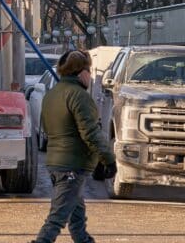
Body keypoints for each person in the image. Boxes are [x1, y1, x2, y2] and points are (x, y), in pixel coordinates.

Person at [32, 50, 117, 243]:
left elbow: (46, 127)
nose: (91, 76)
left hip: (55, 162)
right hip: (72, 165)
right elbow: (91, 132)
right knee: (58, 217)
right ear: (81, 72)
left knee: (76, 217)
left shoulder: (52, 94)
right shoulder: (79, 96)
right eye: (89, 71)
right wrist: (108, 160)